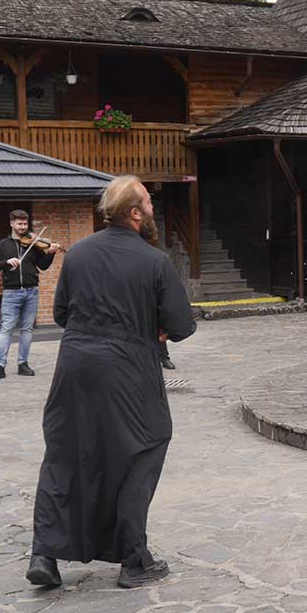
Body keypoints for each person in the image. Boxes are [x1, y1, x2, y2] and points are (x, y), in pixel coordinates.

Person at [26, 176, 196, 589]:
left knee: (65, 453)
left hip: (75, 365)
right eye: (148, 203)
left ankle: (44, 555)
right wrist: (153, 326)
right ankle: (133, 561)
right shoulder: (155, 261)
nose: (153, 209)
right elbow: (181, 324)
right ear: (134, 213)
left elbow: (62, 313)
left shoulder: (79, 253)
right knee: (143, 448)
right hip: (128, 367)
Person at [0, 209, 64, 381]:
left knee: (27, 329)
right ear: (12, 224)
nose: (23, 227)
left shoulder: (34, 244)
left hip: (31, 291)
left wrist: (50, 253)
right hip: (11, 293)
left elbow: (43, 266)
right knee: (6, 328)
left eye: (25, 224)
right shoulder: (3, 245)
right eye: (19, 224)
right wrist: (6, 262)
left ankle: (23, 364)